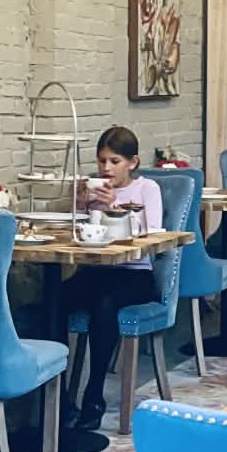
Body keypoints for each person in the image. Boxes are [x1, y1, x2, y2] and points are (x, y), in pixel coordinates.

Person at [63, 125, 164, 429]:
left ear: (132, 162)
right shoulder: (94, 190)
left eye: (114, 161)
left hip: (134, 275)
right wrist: (79, 203)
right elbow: (79, 233)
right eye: (101, 161)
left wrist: (114, 208)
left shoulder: (146, 189)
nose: (106, 169)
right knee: (55, 300)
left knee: (105, 305)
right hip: (96, 271)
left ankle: (94, 395)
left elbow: (154, 233)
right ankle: (55, 398)